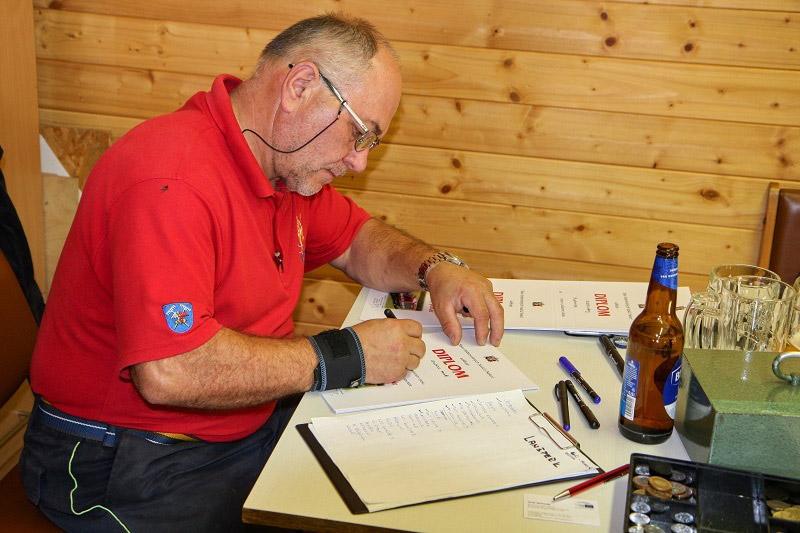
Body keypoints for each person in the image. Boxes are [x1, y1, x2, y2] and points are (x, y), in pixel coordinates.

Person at [21, 13, 504, 532]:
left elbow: (359, 241)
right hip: (123, 458)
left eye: (370, 143)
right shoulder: (170, 180)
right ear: (300, 86)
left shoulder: (283, 166)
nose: (358, 162)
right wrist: (347, 356)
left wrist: (434, 268)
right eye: (359, 133)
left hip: (236, 430)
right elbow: (171, 371)